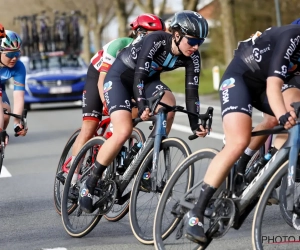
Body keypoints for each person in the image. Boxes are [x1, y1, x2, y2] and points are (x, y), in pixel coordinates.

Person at [79, 10, 209, 213]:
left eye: (199, 42)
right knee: (123, 131)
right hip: (121, 78)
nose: (195, 47)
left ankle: (147, 160)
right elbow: (139, 75)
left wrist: (196, 123)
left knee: (169, 105)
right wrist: (142, 106)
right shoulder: (155, 40)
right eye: (192, 41)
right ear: (176, 35)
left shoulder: (193, 57)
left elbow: (192, 93)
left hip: (148, 81)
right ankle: (90, 182)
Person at [184, 23, 300, 244]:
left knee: (294, 112)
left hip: (274, 84)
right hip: (242, 79)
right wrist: (283, 115)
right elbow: (274, 84)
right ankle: (196, 212)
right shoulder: (294, 35)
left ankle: (272, 162)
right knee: (239, 140)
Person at [68, 14, 166, 186]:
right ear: (137, 33)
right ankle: (72, 175)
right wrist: (107, 103)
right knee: (90, 126)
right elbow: (102, 81)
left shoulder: (153, 53)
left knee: (127, 119)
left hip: (123, 80)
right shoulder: (119, 45)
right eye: (149, 34)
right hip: (98, 77)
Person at [235, 19, 300, 187]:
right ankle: (244, 162)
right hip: (263, 73)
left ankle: (271, 162)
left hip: (288, 75)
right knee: (274, 118)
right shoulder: (293, 34)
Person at [0, 29, 28, 143]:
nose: (14, 58)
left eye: (17, 53)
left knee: (5, 113)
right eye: (10, 54)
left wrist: (17, 123)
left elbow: (18, 96)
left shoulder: (19, 67)